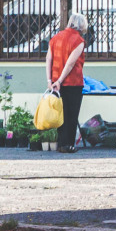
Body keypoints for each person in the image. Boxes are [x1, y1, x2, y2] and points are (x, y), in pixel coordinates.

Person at [45, 11, 87, 153]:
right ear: (82, 25)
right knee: (72, 114)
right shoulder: (79, 41)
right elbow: (70, 63)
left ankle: (61, 143)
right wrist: (61, 80)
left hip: (56, 82)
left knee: (61, 113)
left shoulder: (55, 38)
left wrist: (50, 80)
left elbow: (48, 59)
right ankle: (68, 144)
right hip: (73, 82)